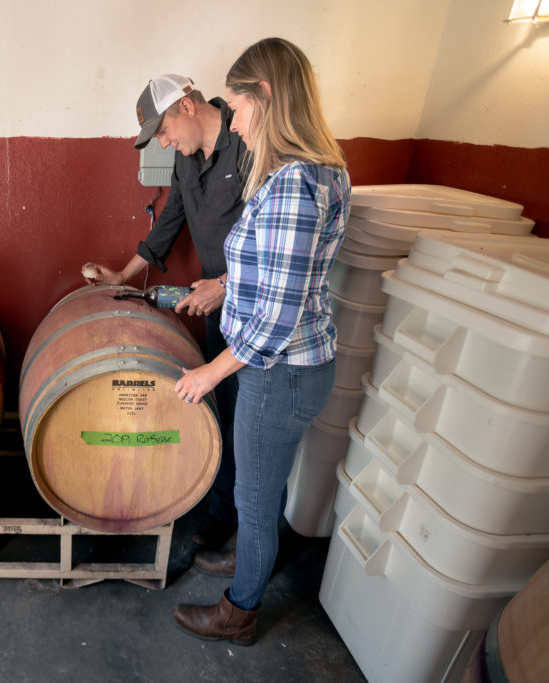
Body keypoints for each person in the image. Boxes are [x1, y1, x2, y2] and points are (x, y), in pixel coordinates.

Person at [171, 37, 350, 645]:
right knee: (263, 486)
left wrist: (209, 373)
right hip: (298, 365)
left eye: (239, 108)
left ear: (266, 96)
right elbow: (283, 277)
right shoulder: (322, 172)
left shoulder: (292, 184)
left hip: (280, 371)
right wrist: (225, 282)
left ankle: (240, 609)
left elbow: (274, 320)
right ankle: (254, 556)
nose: (238, 126)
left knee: (251, 492)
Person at [83, 74, 249, 550]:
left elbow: (274, 242)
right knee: (224, 407)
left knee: (248, 417)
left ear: (188, 107)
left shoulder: (248, 143)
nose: (163, 140)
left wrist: (224, 283)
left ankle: (240, 526)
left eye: (163, 129)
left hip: (252, 299)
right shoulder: (185, 157)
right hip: (218, 303)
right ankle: (222, 510)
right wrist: (122, 275)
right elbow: (172, 219)